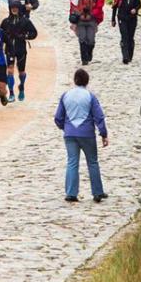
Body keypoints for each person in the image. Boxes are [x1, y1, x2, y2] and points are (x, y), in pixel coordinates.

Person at [54, 68, 109, 202]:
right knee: (92, 162)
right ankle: (97, 192)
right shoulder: (90, 96)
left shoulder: (66, 95)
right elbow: (98, 116)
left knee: (72, 162)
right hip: (87, 133)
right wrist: (103, 133)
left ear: (75, 80)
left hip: (70, 133)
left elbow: (58, 117)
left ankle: (71, 193)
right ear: (87, 81)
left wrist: (66, 127)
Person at [0, 0, 38, 102]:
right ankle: (11, 93)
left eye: (16, 7)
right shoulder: (5, 22)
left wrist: (24, 36)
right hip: (10, 49)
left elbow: (34, 33)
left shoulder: (25, 21)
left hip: (21, 49)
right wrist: (3, 40)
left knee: (21, 72)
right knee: (10, 70)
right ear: (10, 9)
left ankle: (21, 86)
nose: (14, 9)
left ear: (19, 8)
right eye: (12, 8)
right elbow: (0, 34)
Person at [68, 0, 105, 64]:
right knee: (82, 39)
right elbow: (73, 5)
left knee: (91, 40)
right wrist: (76, 15)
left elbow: (100, 4)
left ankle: (89, 53)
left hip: (91, 20)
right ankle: (84, 59)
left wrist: (92, 14)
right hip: (80, 20)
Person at [111, 0, 141, 64]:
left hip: (132, 18)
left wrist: (135, 9)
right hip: (122, 17)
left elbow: (139, 4)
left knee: (130, 37)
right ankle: (125, 56)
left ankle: (130, 55)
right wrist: (113, 19)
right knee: (124, 36)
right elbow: (115, 6)